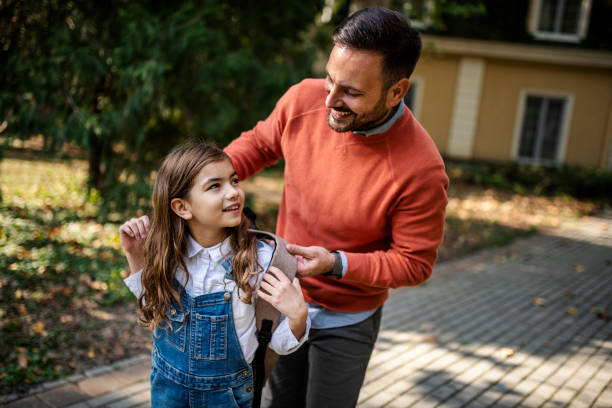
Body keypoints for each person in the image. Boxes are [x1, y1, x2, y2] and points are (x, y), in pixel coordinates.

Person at [223, 7, 449, 408]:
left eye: (352, 92)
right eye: (330, 78)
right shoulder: (303, 100)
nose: (329, 100)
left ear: (397, 91)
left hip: (349, 318)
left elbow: (415, 263)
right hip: (283, 296)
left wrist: (336, 263)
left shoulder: (421, 168)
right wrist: (199, 183)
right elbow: (257, 146)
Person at [119, 142, 310, 408]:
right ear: (182, 207)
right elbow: (155, 307)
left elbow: (274, 343)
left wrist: (298, 317)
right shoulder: (167, 253)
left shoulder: (261, 261)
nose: (233, 192)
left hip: (229, 397)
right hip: (166, 390)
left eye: (234, 180)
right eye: (215, 186)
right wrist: (135, 255)